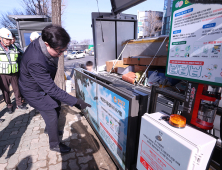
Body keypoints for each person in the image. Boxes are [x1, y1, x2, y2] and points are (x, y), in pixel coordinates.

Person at [19, 25, 91, 153]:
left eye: (64, 50)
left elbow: (50, 87)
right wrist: (76, 101)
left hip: (40, 85)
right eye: (59, 51)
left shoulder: (44, 41)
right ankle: (54, 144)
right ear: (47, 44)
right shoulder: (35, 60)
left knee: (57, 104)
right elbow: (51, 89)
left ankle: (50, 129)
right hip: (32, 90)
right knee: (51, 113)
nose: (61, 54)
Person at [0, 28, 27, 114]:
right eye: (6, 39)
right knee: (6, 91)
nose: (9, 41)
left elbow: (21, 55)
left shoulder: (14, 47)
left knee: (17, 89)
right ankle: (9, 105)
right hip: (2, 74)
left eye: (9, 39)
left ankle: (19, 103)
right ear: (1, 38)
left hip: (14, 72)